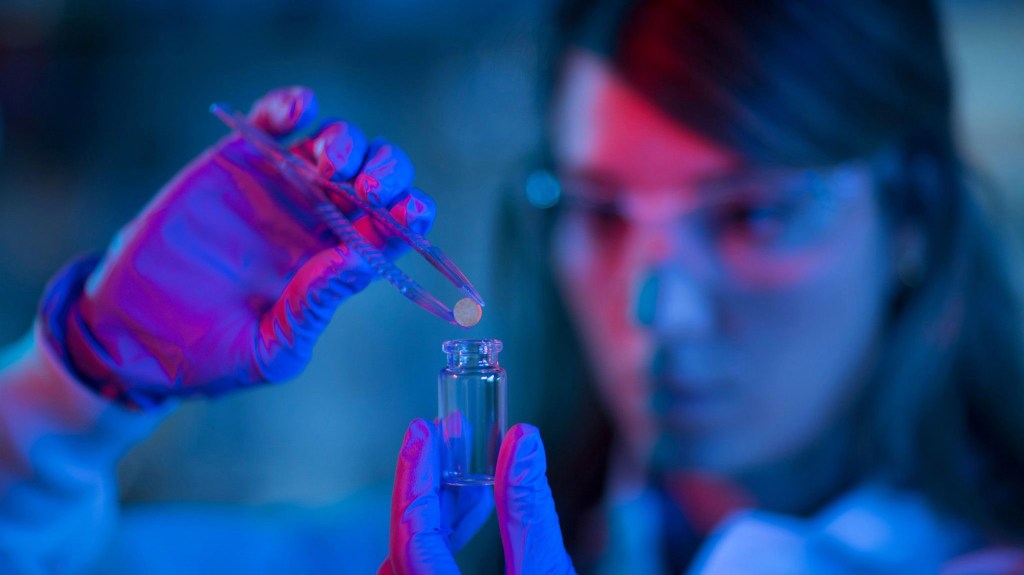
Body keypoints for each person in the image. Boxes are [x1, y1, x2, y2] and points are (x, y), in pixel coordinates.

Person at [2, 2, 1024, 575]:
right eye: (600, 212)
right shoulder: (407, 554)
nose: (654, 309)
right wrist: (86, 372)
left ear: (911, 221)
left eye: (752, 213)